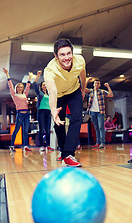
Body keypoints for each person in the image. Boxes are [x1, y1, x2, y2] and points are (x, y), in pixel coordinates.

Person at [44, 38, 86, 167]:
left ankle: (68, 155)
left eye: (69, 53)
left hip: (74, 91)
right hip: (59, 95)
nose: (66, 58)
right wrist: (53, 111)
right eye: (62, 55)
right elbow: (52, 91)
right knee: (58, 124)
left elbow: (83, 74)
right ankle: (63, 151)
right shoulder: (49, 70)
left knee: (77, 118)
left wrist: (83, 90)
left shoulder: (80, 60)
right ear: (56, 56)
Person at [3, 68, 32, 152]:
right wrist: (7, 74)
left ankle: (26, 146)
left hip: (27, 114)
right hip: (20, 114)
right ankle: (12, 146)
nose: (20, 88)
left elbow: (28, 86)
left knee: (26, 131)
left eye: (21, 87)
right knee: (16, 130)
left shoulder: (25, 94)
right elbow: (10, 85)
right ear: (16, 88)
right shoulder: (14, 94)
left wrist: (30, 77)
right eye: (19, 87)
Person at [86, 78, 113, 149]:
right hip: (92, 112)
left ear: (99, 85)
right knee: (96, 128)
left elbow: (110, 95)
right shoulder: (90, 91)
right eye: (95, 83)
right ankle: (97, 143)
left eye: (98, 84)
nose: (96, 85)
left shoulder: (102, 91)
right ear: (93, 84)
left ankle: (102, 143)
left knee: (101, 127)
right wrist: (86, 81)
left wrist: (108, 86)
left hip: (100, 112)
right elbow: (83, 89)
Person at [32, 70, 54, 152]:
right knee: (41, 130)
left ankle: (48, 145)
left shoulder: (49, 94)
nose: (44, 86)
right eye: (43, 85)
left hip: (48, 112)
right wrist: (38, 76)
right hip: (41, 111)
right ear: (41, 87)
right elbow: (34, 85)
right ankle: (41, 146)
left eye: (45, 85)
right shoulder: (40, 93)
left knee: (48, 130)